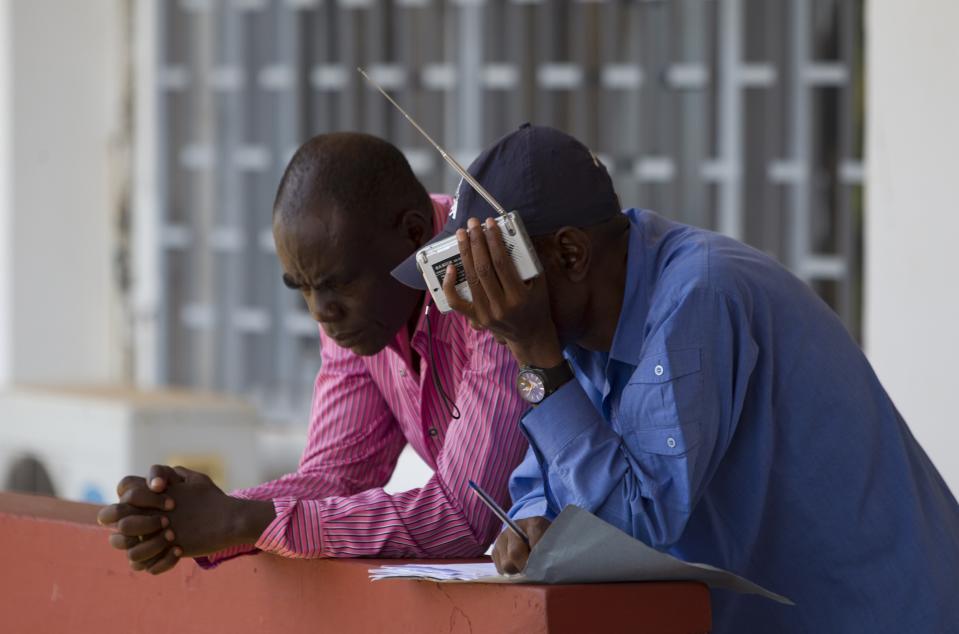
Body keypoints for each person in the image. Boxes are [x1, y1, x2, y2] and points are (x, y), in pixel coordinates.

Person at [391, 123, 959, 632]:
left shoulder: (699, 296)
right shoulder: (586, 328)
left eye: (497, 277)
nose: (484, 310)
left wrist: (532, 350)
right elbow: (539, 485)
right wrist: (528, 524)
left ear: (568, 255)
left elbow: (633, 529)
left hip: (883, 612)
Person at [97, 132, 528, 573]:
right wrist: (197, 515)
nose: (321, 312)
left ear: (415, 234)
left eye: (337, 284)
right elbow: (337, 476)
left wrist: (241, 520)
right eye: (303, 288)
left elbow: (464, 517)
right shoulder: (357, 303)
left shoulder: (485, 277)